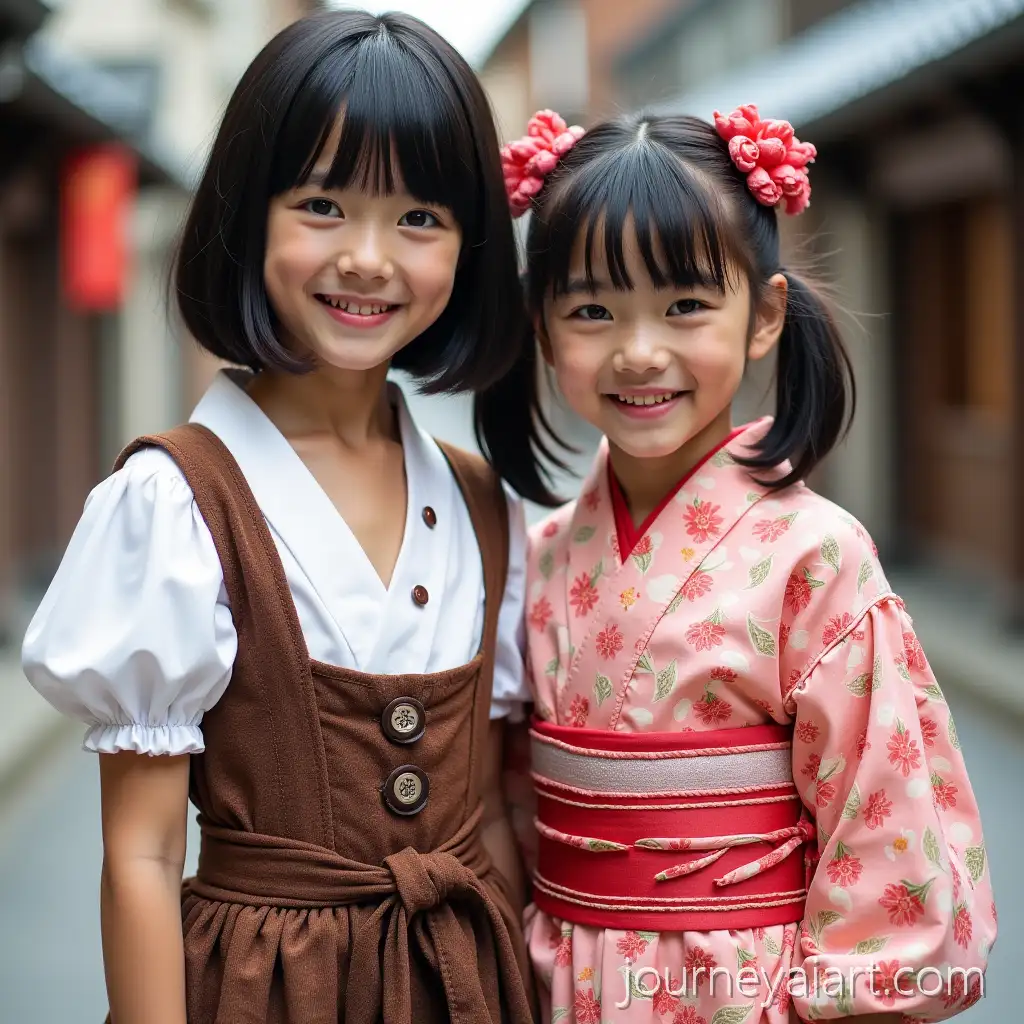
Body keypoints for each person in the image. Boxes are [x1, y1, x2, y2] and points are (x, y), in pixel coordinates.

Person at [21, 11, 545, 1023]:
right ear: (248, 213)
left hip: (468, 982)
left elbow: (486, 812)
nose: (366, 257)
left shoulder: (481, 503)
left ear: (469, 247)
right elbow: (139, 852)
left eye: (418, 219)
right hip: (266, 992)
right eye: (321, 204)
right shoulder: (176, 501)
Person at [482, 106, 997, 1021]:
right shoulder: (543, 552)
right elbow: (514, 802)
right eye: (592, 309)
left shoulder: (816, 557)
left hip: (745, 990)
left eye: (685, 305)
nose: (640, 351)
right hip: (562, 976)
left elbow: (886, 837)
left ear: (763, 315)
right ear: (544, 327)